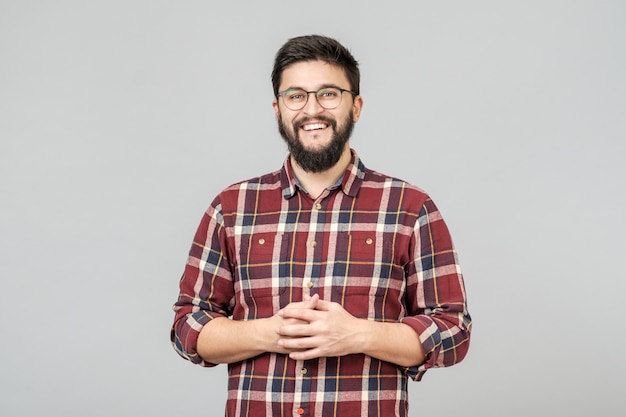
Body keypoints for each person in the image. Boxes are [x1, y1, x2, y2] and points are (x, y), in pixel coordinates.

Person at [171, 34, 472, 417]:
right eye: (296, 96)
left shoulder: (411, 208)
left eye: (328, 94)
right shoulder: (231, 207)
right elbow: (187, 326)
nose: (312, 109)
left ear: (356, 106)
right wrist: (272, 331)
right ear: (278, 109)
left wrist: (356, 334)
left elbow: (453, 331)